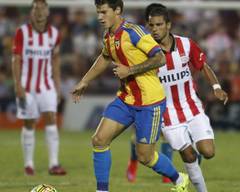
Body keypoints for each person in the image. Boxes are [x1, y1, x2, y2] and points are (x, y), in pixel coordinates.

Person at [71, 0, 189, 191]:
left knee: (145, 157)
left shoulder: (134, 32)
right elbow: (105, 57)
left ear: (117, 10)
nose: (99, 17)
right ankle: (102, 190)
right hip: (126, 99)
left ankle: (179, 178)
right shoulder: (108, 35)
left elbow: (159, 57)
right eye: (98, 12)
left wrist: (130, 70)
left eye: (103, 12)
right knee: (99, 140)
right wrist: (85, 80)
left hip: (150, 102)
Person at [128, 3, 228, 192]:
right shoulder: (144, 52)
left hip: (192, 107)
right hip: (167, 115)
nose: (155, 29)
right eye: (151, 25)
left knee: (208, 152)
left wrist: (216, 87)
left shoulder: (186, 44)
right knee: (188, 156)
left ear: (168, 25)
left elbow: (203, 65)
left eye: (159, 25)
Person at [12, 0, 66, 176]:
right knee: (29, 123)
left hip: (46, 85)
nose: (40, 11)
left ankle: (54, 164)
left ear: (48, 11)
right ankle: (28, 164)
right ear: (31, 12)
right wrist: (17, 85)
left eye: (43, 8)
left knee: (51, 118)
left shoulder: (54, 34)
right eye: (36, 8)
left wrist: (57, 87)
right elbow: (16, 60)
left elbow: (56, 60)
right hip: (26, 86)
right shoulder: (22, 32)